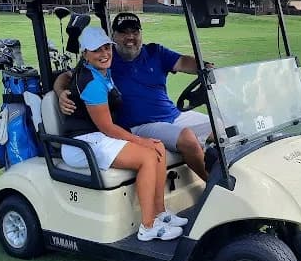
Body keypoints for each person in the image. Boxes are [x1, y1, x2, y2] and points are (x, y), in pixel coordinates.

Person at [61, 26, 187, 242]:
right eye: (97, 50)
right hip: (81, 143)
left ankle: (160, 213)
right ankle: (147, 227)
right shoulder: (91, 83)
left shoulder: (100, 70)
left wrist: (146, 141)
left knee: (157, 146)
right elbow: (107, 128)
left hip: (97, 138)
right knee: (147, 156)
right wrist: (140, 140)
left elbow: (66, 78)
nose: (104, 54)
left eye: (106, 48)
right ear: (85, 54)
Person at [55, 12, 213, 180]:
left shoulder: (155, 52)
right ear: (113, 36)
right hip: (141, 125)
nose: (130, 37)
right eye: (123, 32)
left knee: (223, 129)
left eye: (135, 32)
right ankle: (213, 186)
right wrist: (60, 92)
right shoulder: (105, 60)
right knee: (187, 138)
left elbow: (183, 62)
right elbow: (67, 76)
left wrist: (205, 67)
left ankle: (225, 175)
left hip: (174, 116)